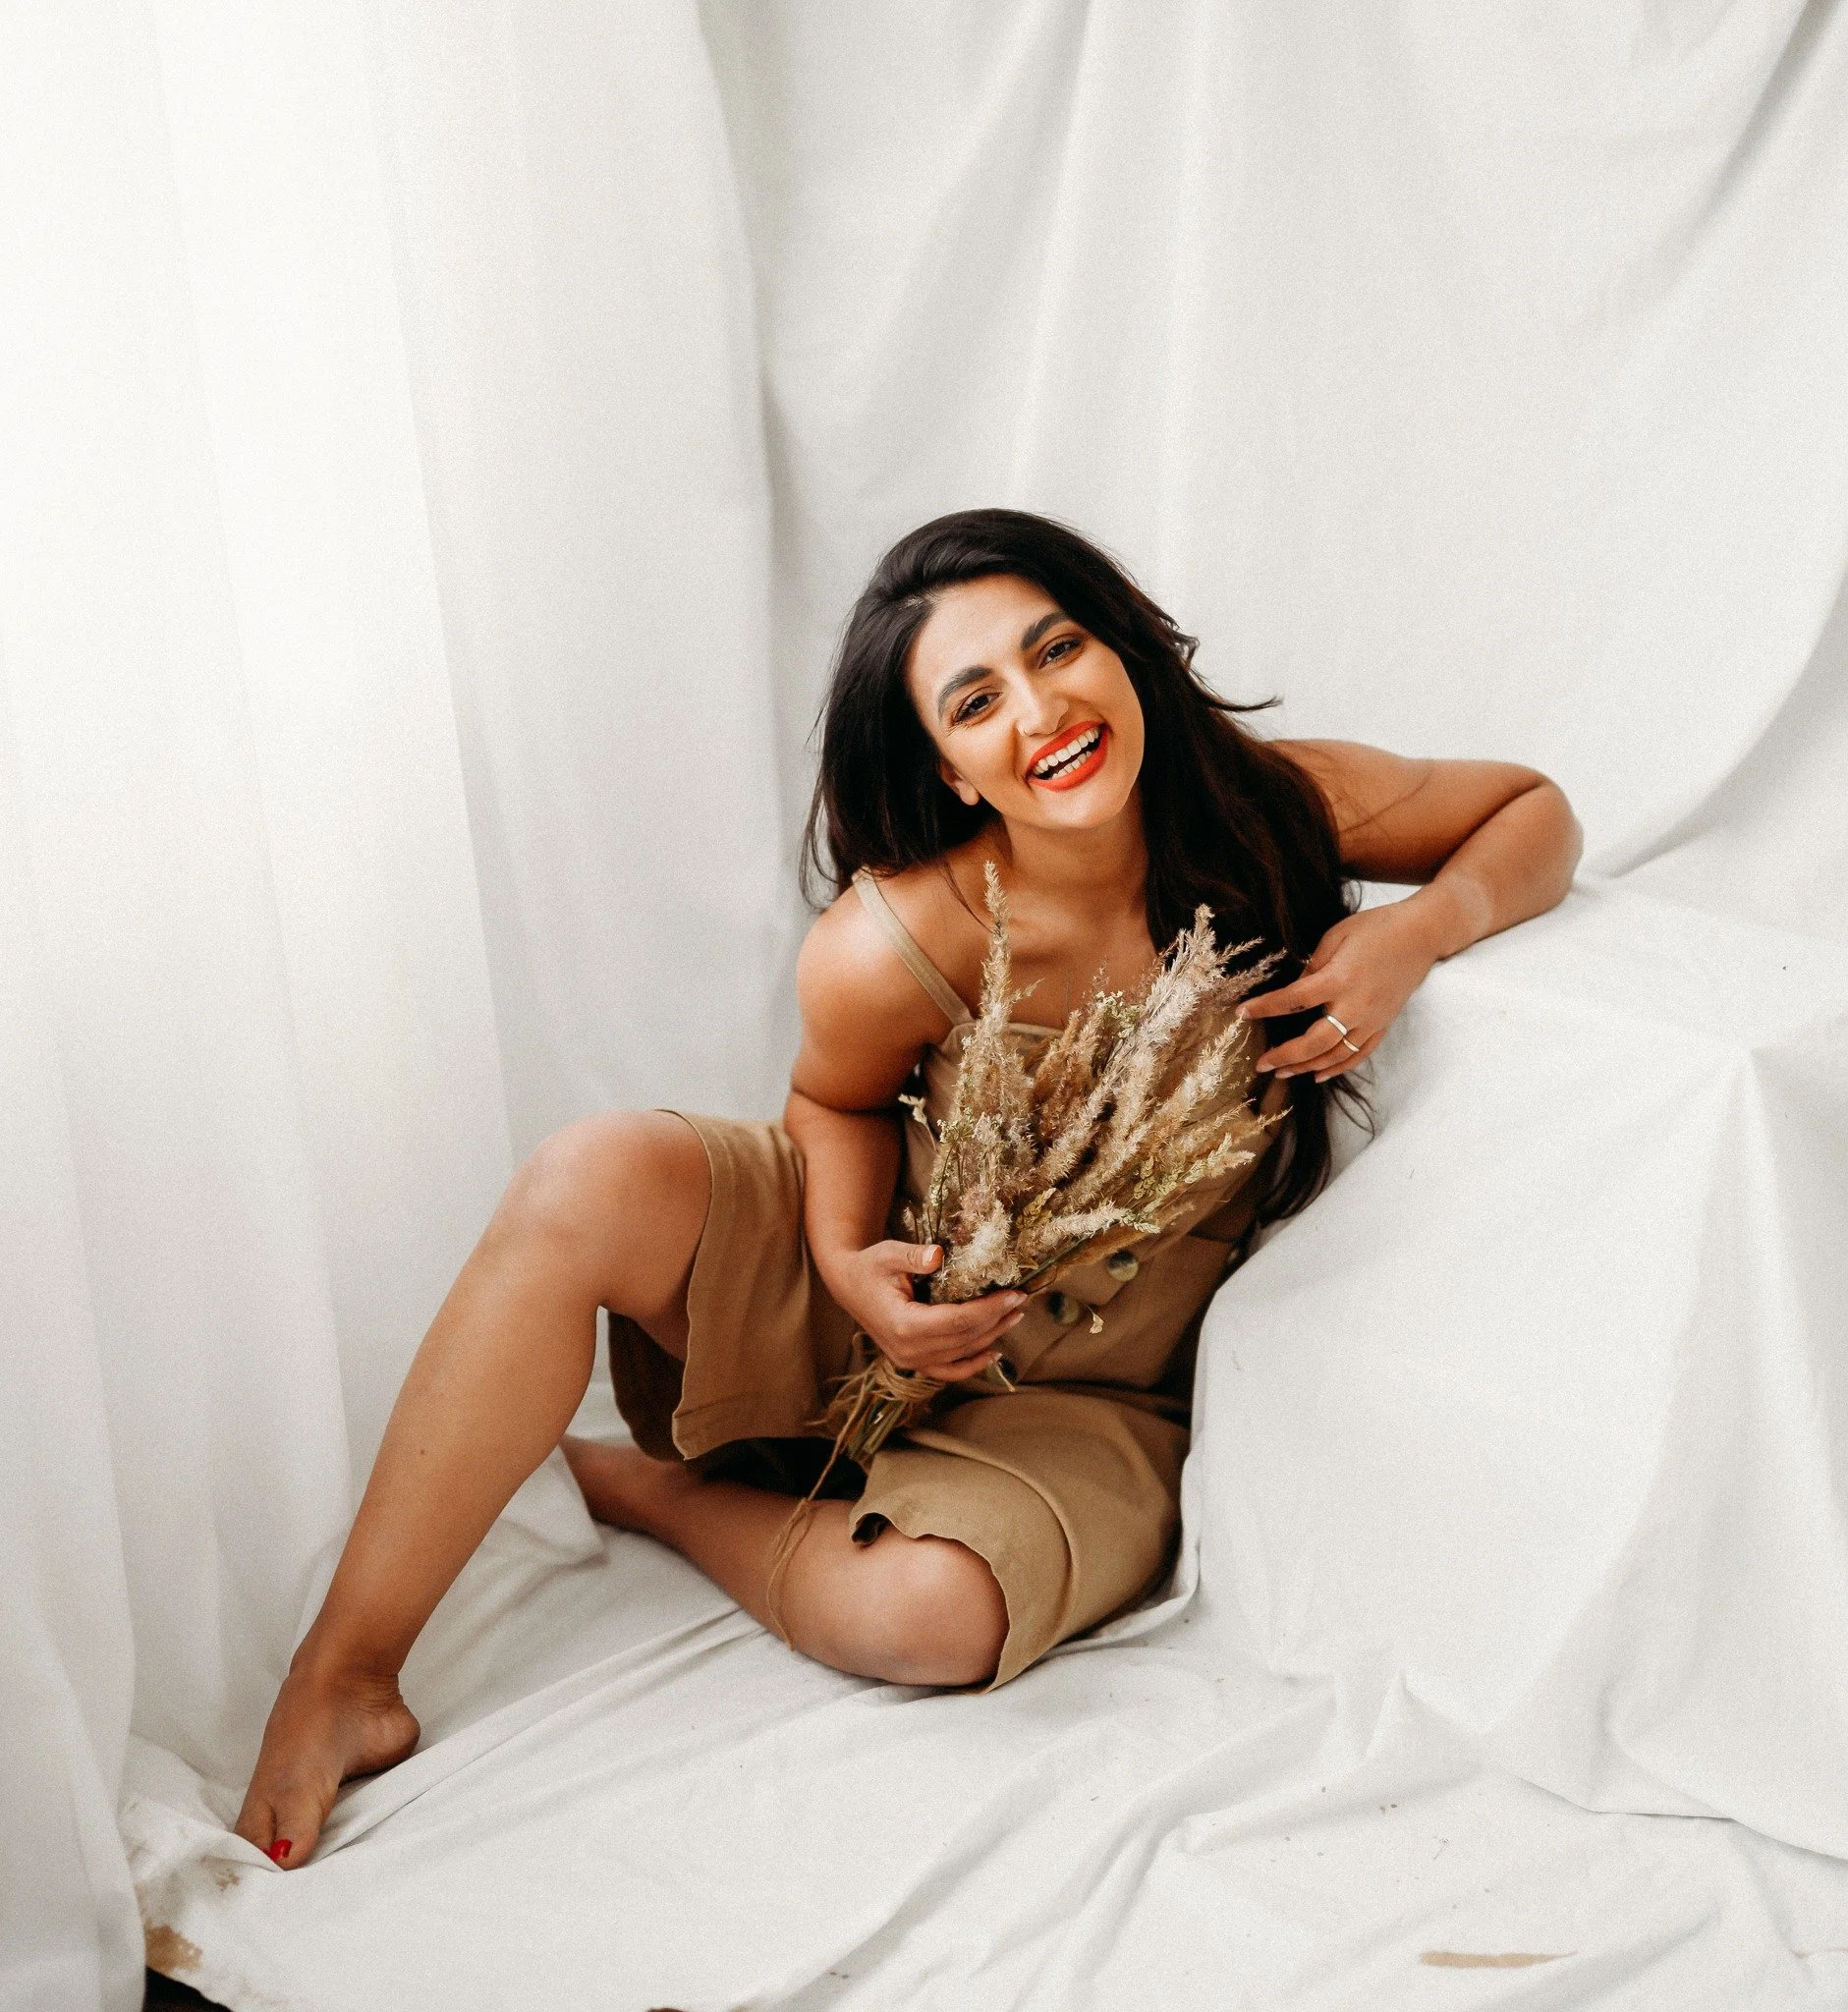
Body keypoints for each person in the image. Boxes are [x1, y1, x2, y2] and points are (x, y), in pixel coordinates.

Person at [235, 509, 1580, 1866]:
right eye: (978, 699)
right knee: (589, 1176)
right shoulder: (892, 937)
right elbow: (832, 1101)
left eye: (1060, 648)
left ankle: (650, 1492)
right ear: (945, 767)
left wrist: (1412, 934)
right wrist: (842, 1264)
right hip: (882, 1289)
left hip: (1088, 1390)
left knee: (929, 1623)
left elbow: (1535, 811)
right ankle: (344, 1675)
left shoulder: (1275, 806)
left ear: (1125, 646)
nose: (1043, 709)